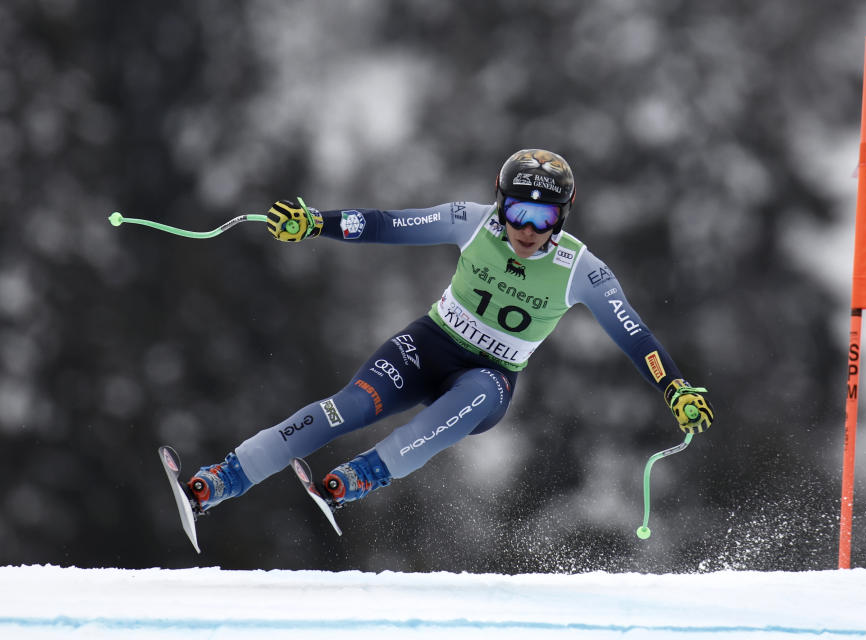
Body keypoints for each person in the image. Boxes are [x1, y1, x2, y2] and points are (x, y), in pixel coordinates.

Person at [185, 149, 714, 517]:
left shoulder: (583, 270)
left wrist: (674, 388)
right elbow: (387, 224)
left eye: (543, 216)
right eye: (517, 211)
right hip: (428, 345)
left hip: (489, 379)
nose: (527, 229)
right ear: (499, 202)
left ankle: (365, 473)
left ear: (563, 217)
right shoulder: (471, 221)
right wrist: (315, 223)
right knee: (345, 409)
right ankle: (222, 480)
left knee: (474, 395)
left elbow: (635, 335)